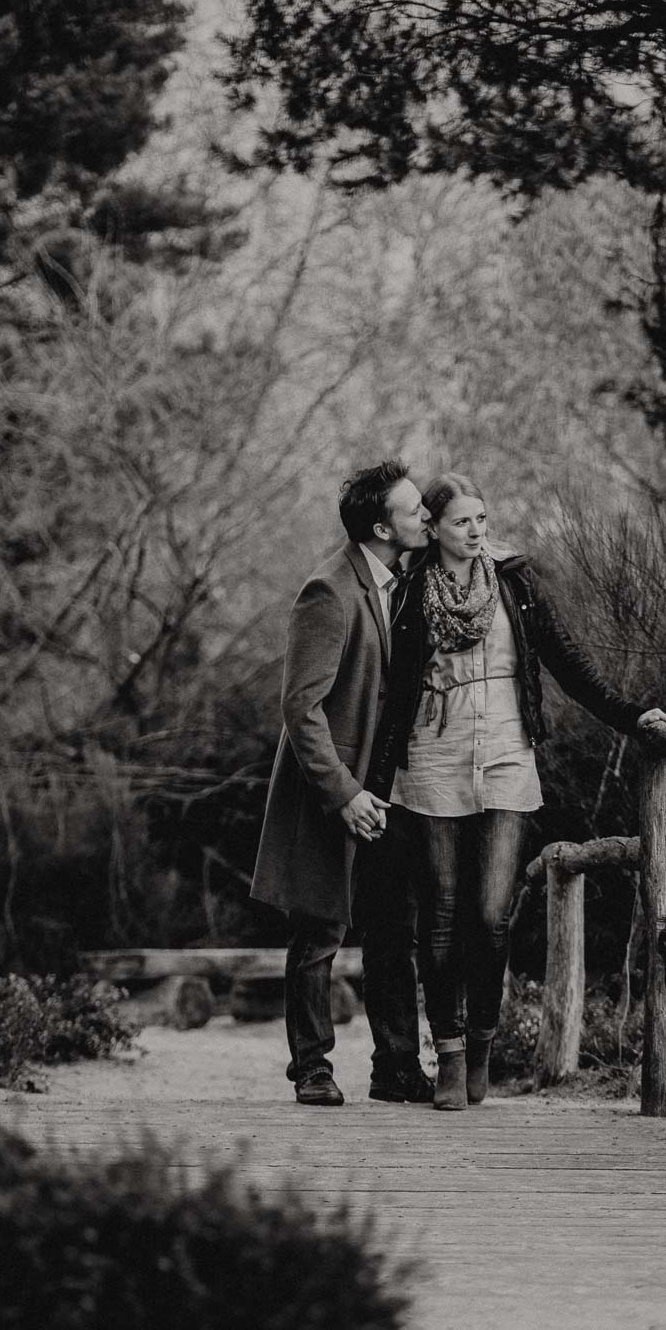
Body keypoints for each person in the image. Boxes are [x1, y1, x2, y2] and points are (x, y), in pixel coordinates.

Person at [372, 472, 666, 1111]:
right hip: (432, 761)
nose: (477, 530)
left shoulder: (515, 583)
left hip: (508, 757)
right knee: (442, 918)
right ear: (433, 527)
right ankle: (449, 1055)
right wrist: (369, 778)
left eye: (482, 518)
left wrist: (630, 716)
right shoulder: (408, 593)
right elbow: (389, 690)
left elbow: (567, 662)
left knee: (491, 915)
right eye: (462, 521)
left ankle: (482, 1041)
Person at [250, 460, 437, 1106]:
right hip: (325, 790)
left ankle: (395, 1068)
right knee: (319, 931)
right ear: (383, 526)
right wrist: (345, 794)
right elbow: (301, 708)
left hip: (379, 788)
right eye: (415, 512)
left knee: (391, 925)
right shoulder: (328, 591)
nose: (426, 519)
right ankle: (312, 1068)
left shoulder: (394, 581)